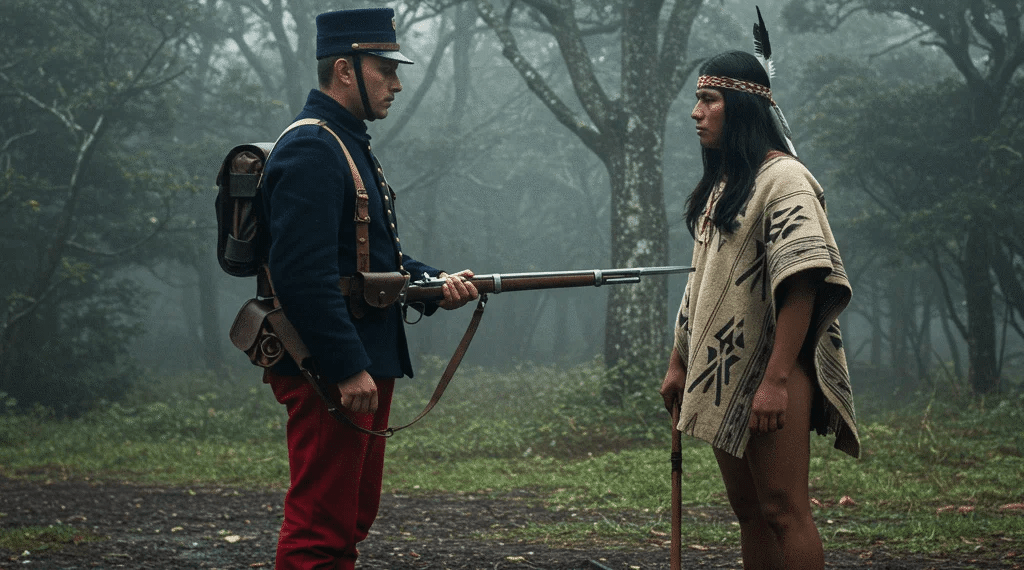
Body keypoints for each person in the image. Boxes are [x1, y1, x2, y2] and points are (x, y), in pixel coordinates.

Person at [259, 8, 478, 569]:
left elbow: (374, 260)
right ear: (344, 70)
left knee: (348, 520)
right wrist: (345, 366)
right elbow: (300, 273)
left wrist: (434, 282)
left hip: (358, 357)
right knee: (320, 526)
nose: (397, 83)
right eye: (386, 69)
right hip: (329, 365)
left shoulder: (344, 142)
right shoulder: (313, 147)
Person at [659, 48, 861, 570]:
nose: (696, 113)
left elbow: (803, 283)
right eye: (697, 100)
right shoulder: (725, 184)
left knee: (783, 510)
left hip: (775, 368)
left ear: (743, 106)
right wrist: (680, 361)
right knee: (748, 511)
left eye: (709, 99)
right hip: (722, 370)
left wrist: (774, 381)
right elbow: (701, 282)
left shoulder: (785, 180)